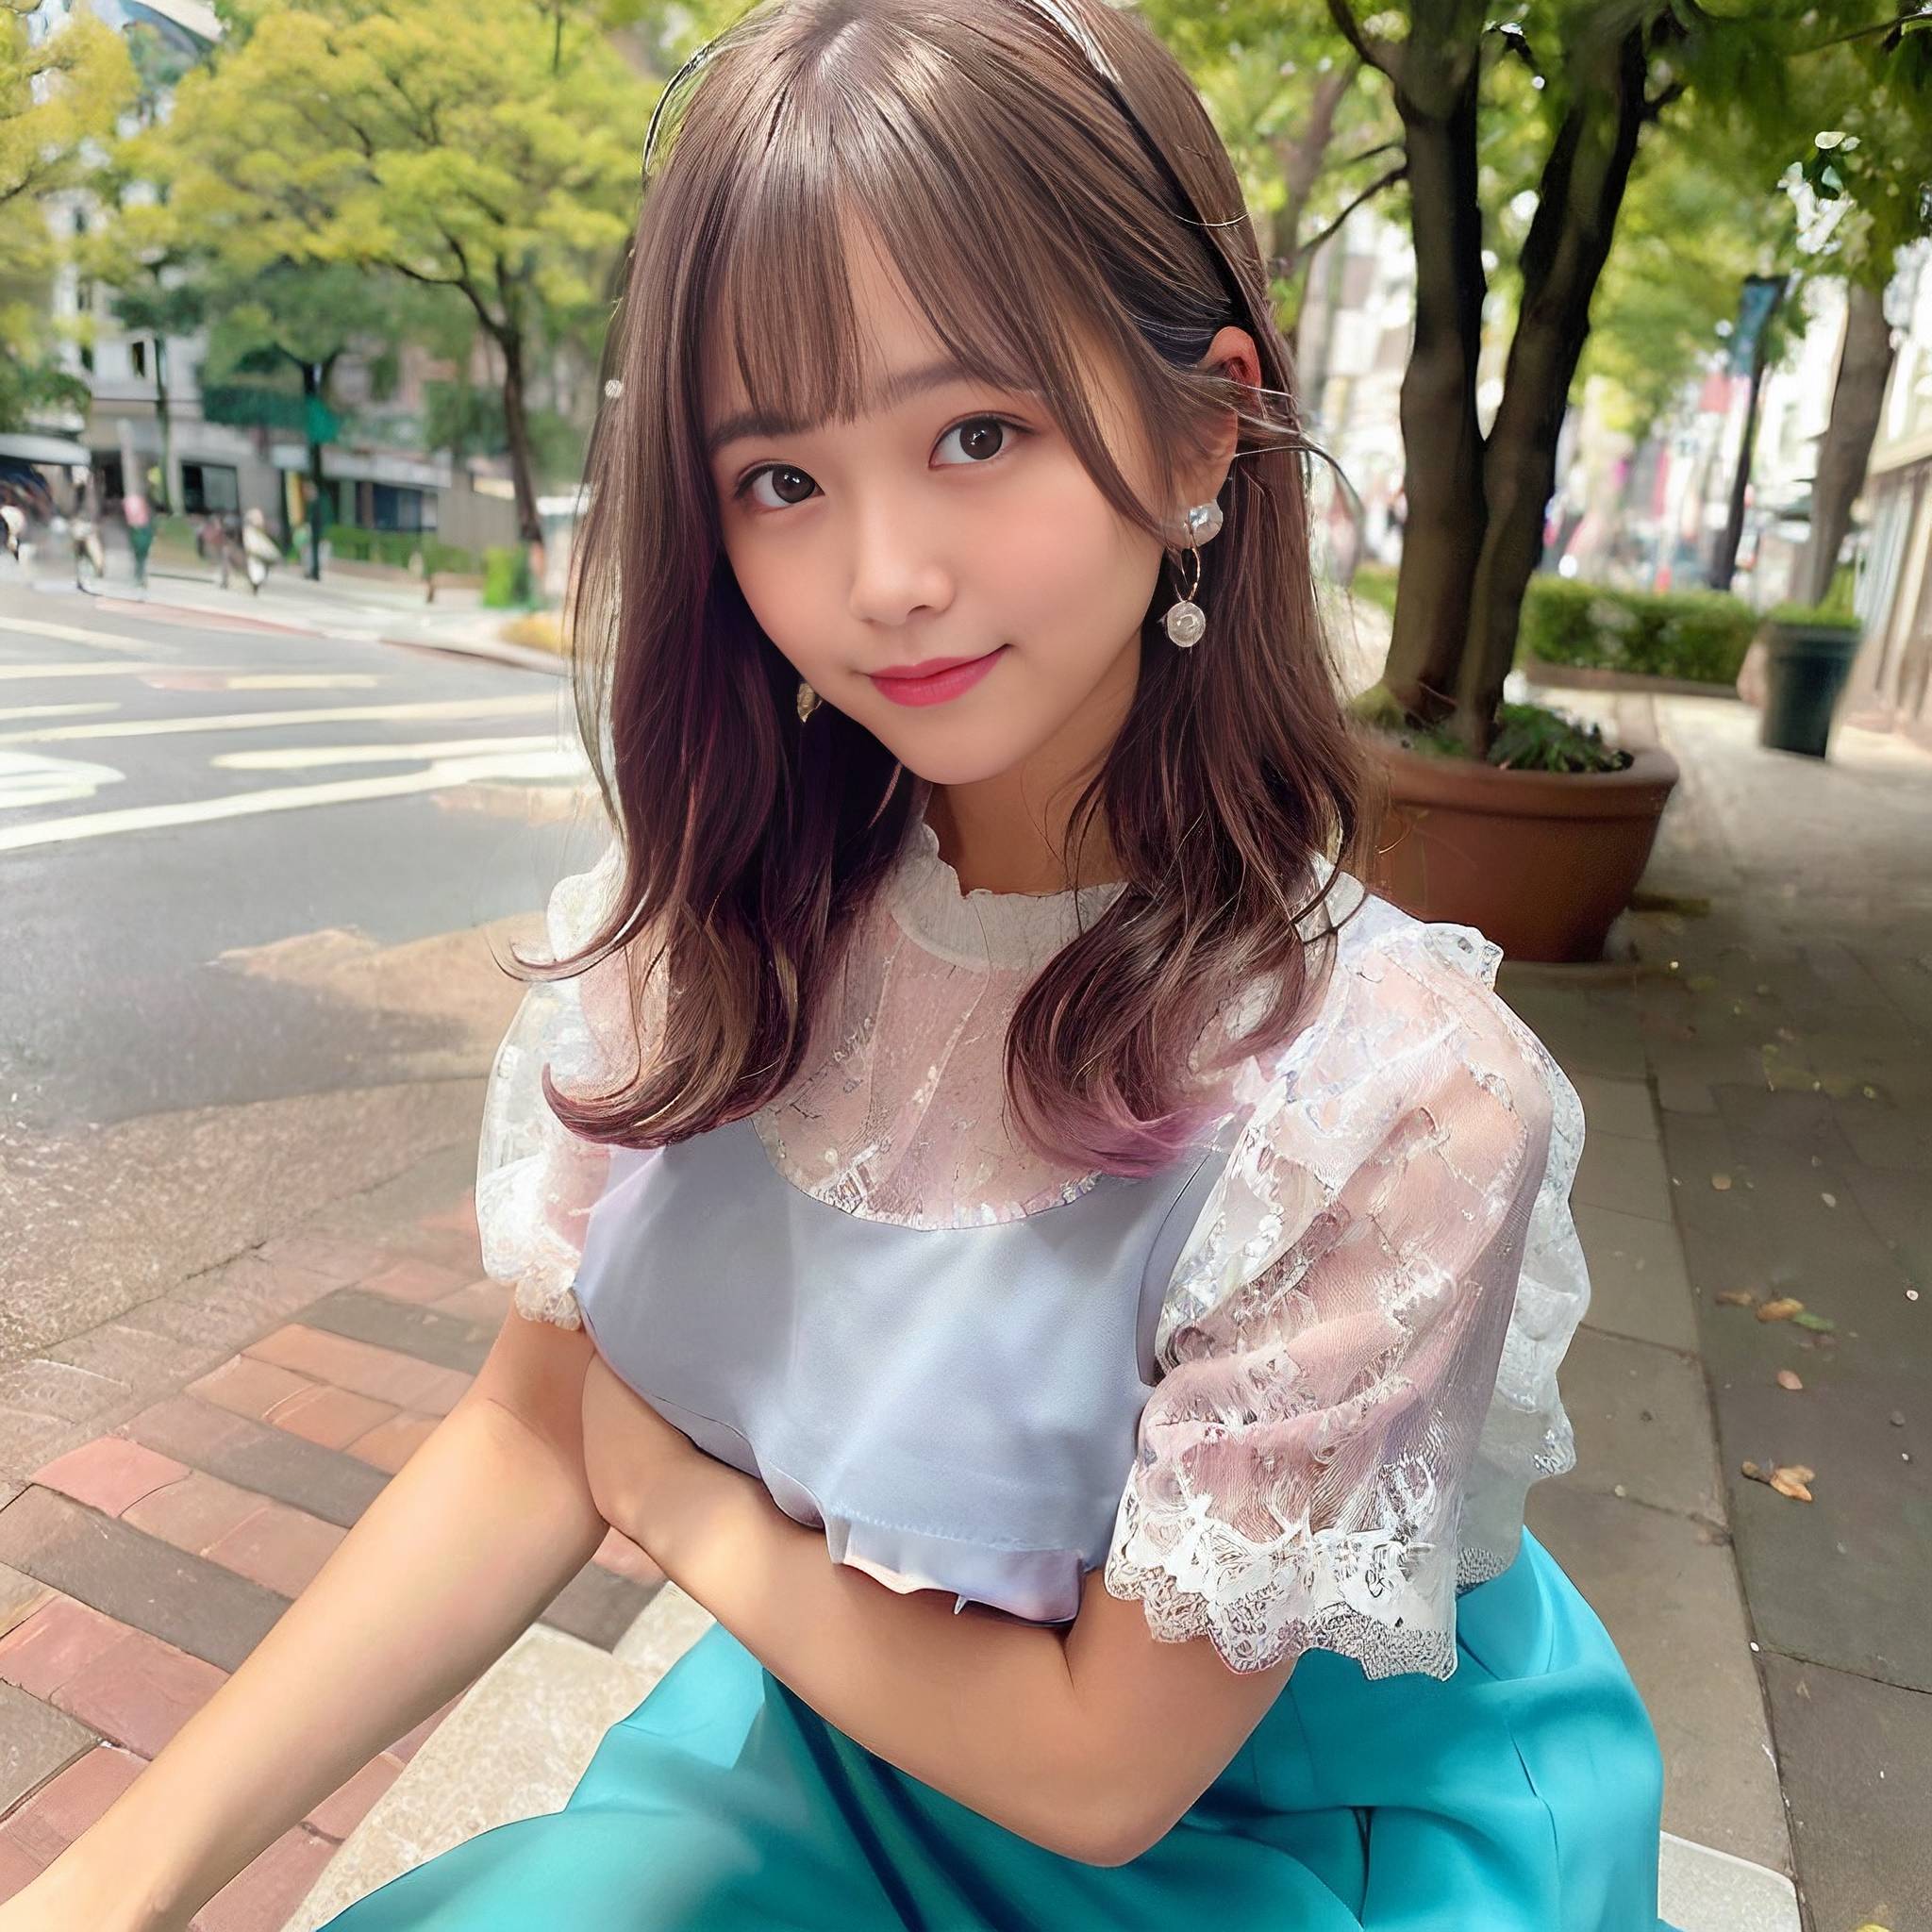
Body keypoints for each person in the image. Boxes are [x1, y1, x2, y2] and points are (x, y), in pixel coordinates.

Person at [0, 4, 1675, 1927]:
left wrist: (696, 1507)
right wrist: (118, 1879)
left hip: (1281, 1839)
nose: (882, 573)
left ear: (1206, 422)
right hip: (874, 1742)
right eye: (780, 476)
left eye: (978, 433)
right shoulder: (729, 917)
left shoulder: (1380, 1091)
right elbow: (532, 1428)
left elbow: (1104, 1769)